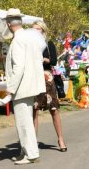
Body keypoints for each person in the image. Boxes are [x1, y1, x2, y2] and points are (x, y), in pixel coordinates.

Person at [3, 8, 46, 165]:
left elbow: (18, 67)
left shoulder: (18, 40)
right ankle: (26, 151)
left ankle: (31, 154)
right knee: (26, 120)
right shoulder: (31, 37)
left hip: (22, 86)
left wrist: (11, 87)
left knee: (24, 121)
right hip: (31, 83)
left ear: (8, 24)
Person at [32, 21, 67, 152]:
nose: (35, 31)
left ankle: (61, 139)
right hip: (34, 78)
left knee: (54, 109)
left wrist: (44, 60)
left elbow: (53, 61)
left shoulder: (48, 44)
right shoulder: (29, 45)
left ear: (43, 31)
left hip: (47, 78)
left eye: (38, 29)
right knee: (34, 110)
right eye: (33, 29)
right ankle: (33, 142)